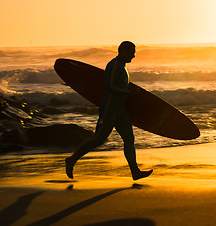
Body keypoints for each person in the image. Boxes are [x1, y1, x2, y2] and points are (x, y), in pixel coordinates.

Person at [65, 41, 153, 180]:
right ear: (123, 51)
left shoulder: (122, 67)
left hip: (120, 110)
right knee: (98, 139)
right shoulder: (114, 65)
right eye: (132, 52)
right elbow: (110, 87)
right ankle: (71, 160)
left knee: (129, 138)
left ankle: (135, 171)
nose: (134, 55)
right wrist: (129, 92)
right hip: (109, 109)